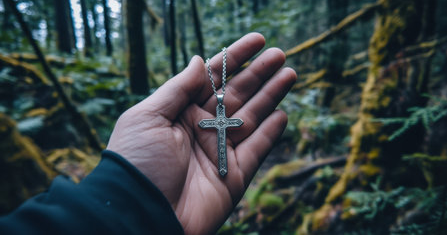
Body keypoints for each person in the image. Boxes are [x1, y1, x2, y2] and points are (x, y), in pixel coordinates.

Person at [0, 33, 297, 234]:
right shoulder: (209, 122)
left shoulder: (221, 121)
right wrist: (131, 193)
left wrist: (127, 198)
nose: (220, 123)